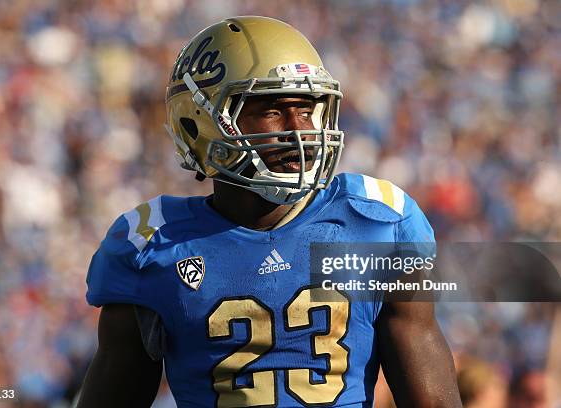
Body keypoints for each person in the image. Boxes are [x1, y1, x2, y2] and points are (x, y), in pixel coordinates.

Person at [77, 16, 461, 407]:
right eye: (273, 111)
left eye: (307, 110)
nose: (300, 130)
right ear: (202, 122)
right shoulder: (152, 245)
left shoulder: (376, 223)